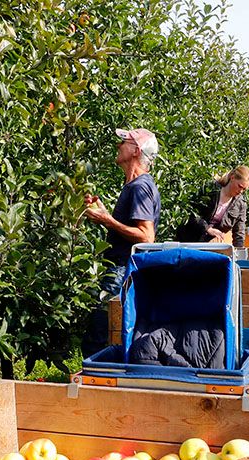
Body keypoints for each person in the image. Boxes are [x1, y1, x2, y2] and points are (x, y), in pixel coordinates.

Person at [82, 127, 162, 358]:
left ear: (136, 151)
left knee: (98, 331)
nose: (118, 146)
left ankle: (95, 385)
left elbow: (146, 236)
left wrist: (107, 220)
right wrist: (104, 214)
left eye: (124, 142)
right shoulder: (134, 185)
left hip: (121, 268)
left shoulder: (140, 187)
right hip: (120, 266)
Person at [177, 165, 249, 246]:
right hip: (188, 240)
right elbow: (191, 212)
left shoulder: (240, 204)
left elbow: (239, 233)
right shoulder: (210, 189)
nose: (241, 191)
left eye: (244, 189)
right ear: (232, 178)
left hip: (210, 245)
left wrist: (239, 252)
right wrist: (207, 228)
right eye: (240, 186)